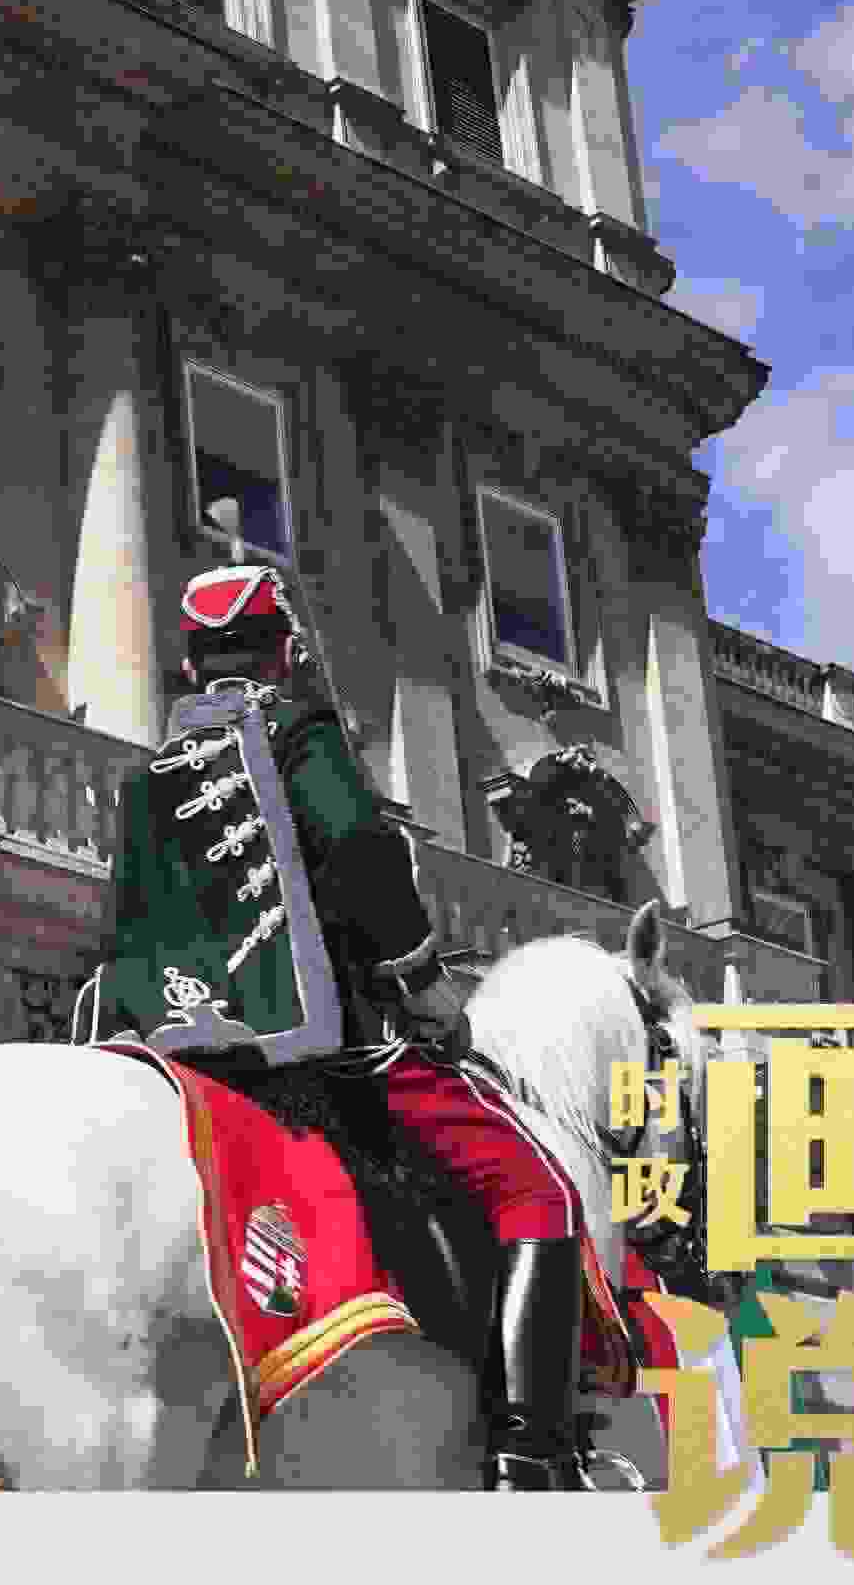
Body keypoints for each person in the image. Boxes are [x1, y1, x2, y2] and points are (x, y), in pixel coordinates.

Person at [91, 561, 604, 1490]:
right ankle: (532, 1457)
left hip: (174, 1046)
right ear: (284, 652)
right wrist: (423, 982)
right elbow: (362, 852)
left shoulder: (148, 778)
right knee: (542, 1195)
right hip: (325, 1044)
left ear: (193, 663)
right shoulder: (297, 734)